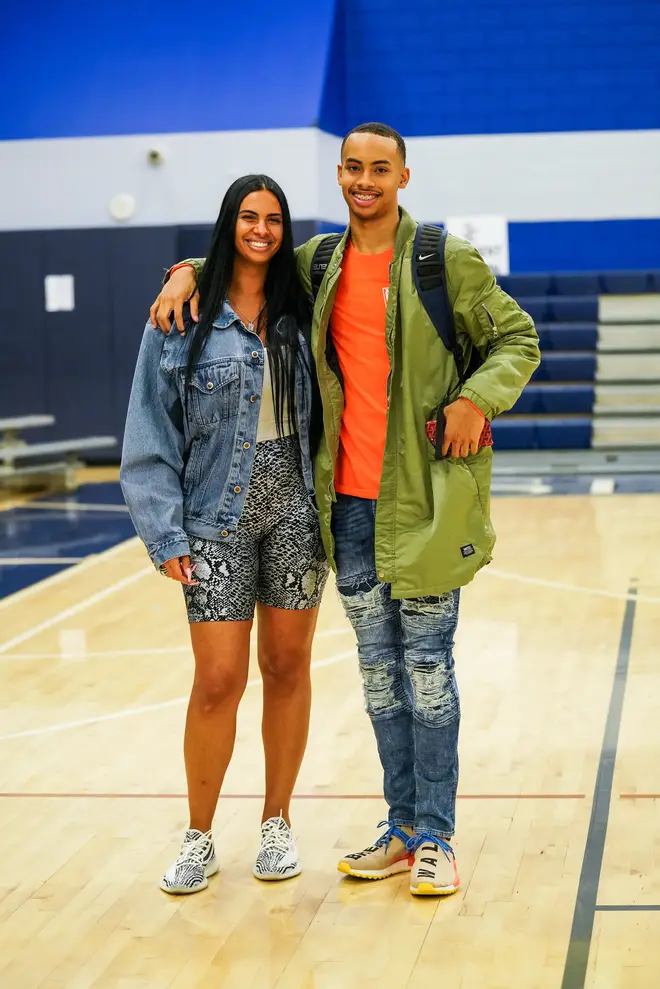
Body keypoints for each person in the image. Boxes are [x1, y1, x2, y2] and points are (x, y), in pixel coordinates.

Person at [149, 123, 541, 897]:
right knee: (379, 678)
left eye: (380, 169)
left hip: (426, 502)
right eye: (353, 168)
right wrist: (187, 270)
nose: (365, 180)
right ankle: (400, 827)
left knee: (428, 671)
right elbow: (247, 259)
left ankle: (437, 836)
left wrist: (474, 398)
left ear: (402, 175)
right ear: (339, 174)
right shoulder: (319, 262)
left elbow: (517, 338)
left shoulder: (442, 259)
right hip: (346, 506)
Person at [121, 174, 329, 895]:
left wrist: (190, 264)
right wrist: (164, 530)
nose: (262, 230)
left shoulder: (304, 302)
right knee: (217, 680)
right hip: (213, 515)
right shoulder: (179, 318)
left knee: (287, 667)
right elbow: (149, 433)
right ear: (228, 222)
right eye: (249, 217)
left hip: (296, 507)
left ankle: (277, 823)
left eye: (274, 219)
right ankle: (200, 835)